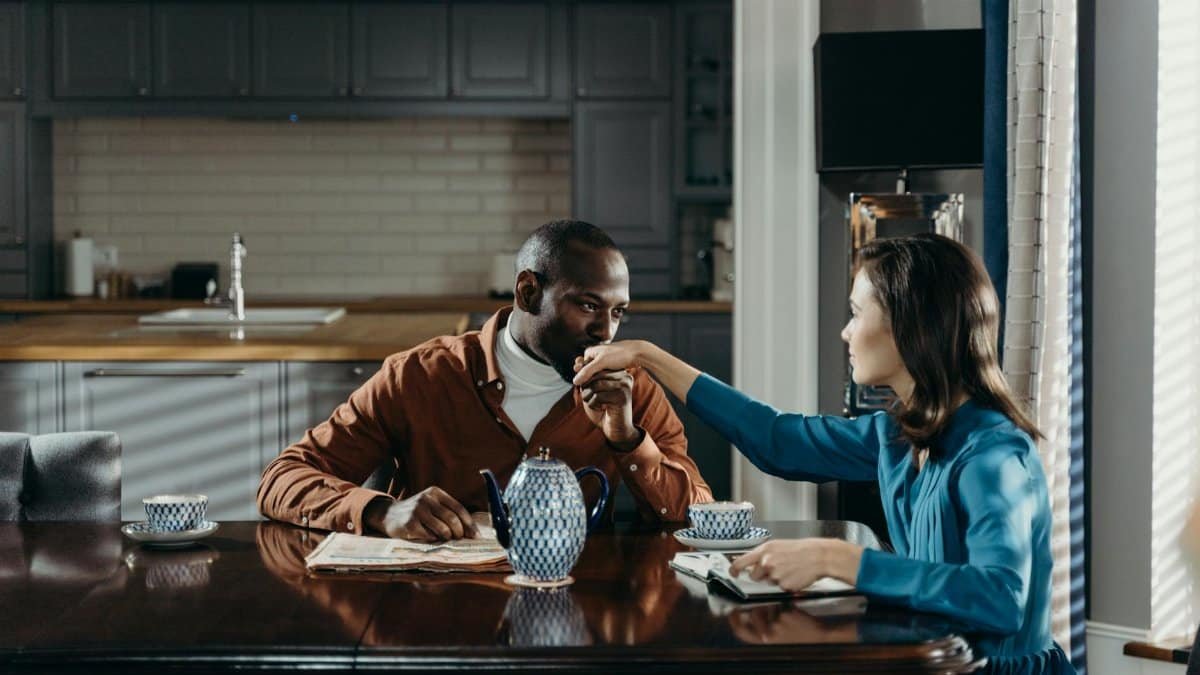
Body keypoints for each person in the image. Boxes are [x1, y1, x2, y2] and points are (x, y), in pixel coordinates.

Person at [573, 233, 1074, 672]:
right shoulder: (896, 437)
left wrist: (841, 559)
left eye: (857, 314)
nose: (846, 332)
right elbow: (776, 441)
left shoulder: (994, 454)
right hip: (928, 663)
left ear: (910, 325)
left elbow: (1001, 599)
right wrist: (647, 356)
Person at [257, 219, 712, 541]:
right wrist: (381, 511)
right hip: (435, 617)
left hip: (581, 617)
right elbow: (282, 479)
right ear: (528, 292)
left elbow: (697, 515)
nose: (606, 332)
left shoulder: (631, 388)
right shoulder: (418, 376)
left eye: (617, 312)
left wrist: (627, 438)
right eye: (588, 306)